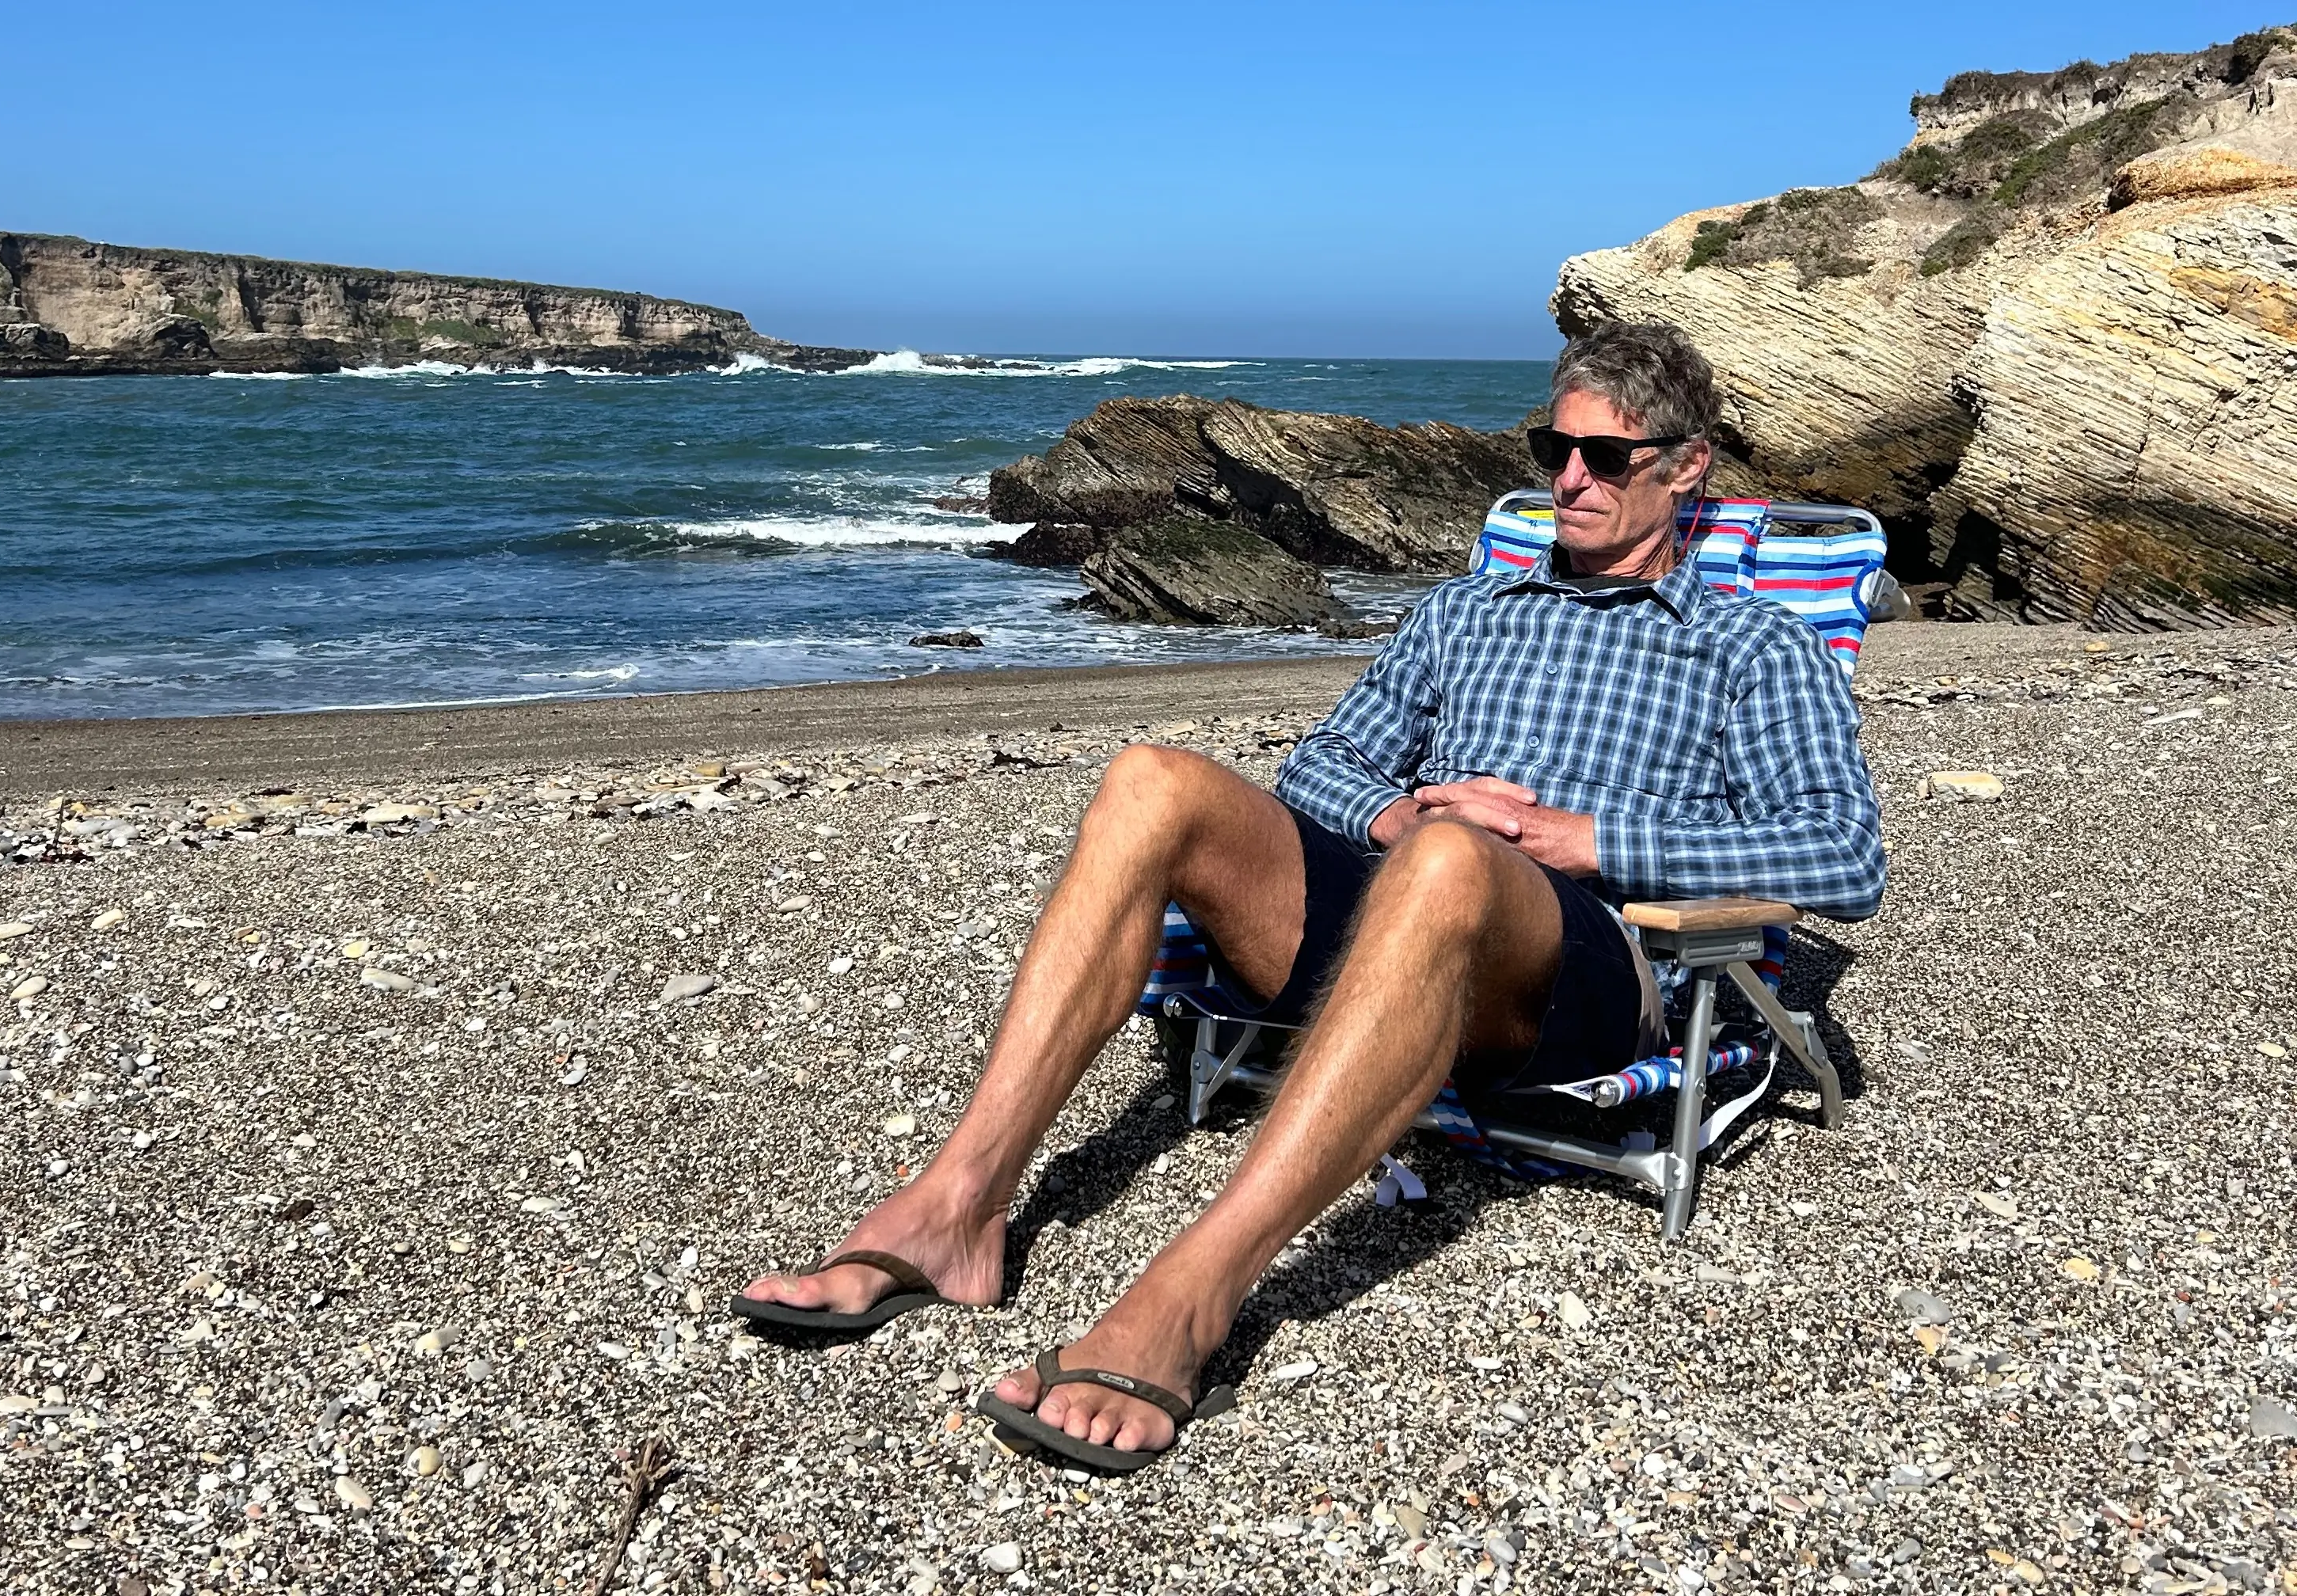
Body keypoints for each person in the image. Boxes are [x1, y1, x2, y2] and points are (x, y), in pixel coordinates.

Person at [733, 319, 1885, 1469]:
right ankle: (957, 1208)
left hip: (1577, 968)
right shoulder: (1467, 613)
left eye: (1609, 458)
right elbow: (1327, 766)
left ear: (1689, 467)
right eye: (1553, 448)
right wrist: (1398, 815)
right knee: (1152, 783)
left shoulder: (1752, 646)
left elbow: (1844, 857)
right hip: (1395, 913)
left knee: (1456, 862)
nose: (1569, 479)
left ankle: (1193, 1293)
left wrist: (1569, 836)